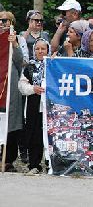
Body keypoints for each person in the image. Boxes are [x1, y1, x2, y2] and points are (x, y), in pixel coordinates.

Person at [18, 38, 50, 174]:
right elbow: (21, 85)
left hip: (49, 105)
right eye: (37, 49)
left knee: (49, 134)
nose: (40, 51)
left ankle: (50, 163)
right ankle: (34, 164)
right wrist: (32, 89)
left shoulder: (54, 65)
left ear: (48, 50)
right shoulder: (29, 67)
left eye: (43, 48)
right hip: (33, 104)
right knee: (34, 134)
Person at [0, 11, 24, 172]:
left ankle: (8, 160)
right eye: (0, 20)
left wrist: (14, 44)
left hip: (10, 84)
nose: (2, 23)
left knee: (10, 123)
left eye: (5, 20)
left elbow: (21, 61)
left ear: (11, 22)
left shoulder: (17, 38)